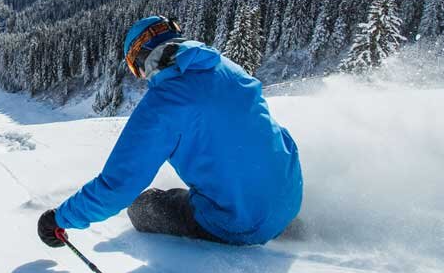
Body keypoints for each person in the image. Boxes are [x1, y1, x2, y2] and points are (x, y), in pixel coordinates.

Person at [38, 16, 302, 248]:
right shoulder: (227, 67)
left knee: (142, 206)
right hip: (291, 196)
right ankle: (276, 216)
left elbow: (117, 186)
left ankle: (247, 219)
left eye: (134, 68)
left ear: (141, 59)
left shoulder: (162, 103)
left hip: (239, 223)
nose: (139, 76)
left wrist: (59, 218)